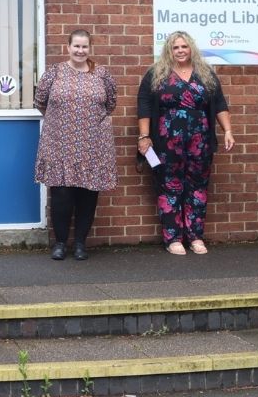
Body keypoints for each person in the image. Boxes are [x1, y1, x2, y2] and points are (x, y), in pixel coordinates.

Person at [137, 31, 234, 256]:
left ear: (191, 48)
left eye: (184, 47)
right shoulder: (156, 73)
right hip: (166, 142)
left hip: (200, 142)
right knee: (169, 186)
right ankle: (173, 238)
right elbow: (144, 105)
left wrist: (227, 130)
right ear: (169, 51)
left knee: (197, 188)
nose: (180, 51)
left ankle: (195, 236)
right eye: (175, 48)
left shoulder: (205, 73)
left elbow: (219, 102)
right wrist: (144, 136)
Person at [34, 29, 117, 261]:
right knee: (61, 195)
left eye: (84, 47)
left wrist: (87, 122)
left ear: (90, 48)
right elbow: (40, 101)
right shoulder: (54, 73)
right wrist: (64, 120)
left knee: (87, 195)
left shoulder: (102, 74)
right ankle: (60, 243)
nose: (80, 51)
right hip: (60, 143)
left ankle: (80, 243)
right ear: (68, 47)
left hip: (94, 145)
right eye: (76, 46)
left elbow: (111, 103)